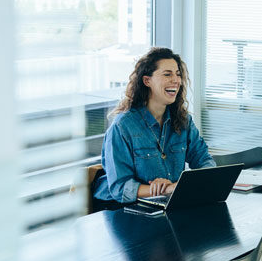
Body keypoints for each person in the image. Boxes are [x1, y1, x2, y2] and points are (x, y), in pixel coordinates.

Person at [92, 47, 215, 211]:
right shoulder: (122, 126)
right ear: (147, 81)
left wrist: (176, 186)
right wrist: (164, 189)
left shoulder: (184, 121)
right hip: (123, 210)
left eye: (178, 74)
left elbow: (205, 162)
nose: (176, 80)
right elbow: (120, 188)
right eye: (167, 74)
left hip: (165, 206)